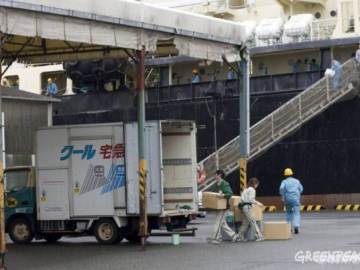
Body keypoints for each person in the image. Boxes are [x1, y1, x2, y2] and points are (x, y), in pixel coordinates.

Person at [208, 169, 239, 244]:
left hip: (224, 207)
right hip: (217, 207)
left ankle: (215, 238)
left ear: (219, 175)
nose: (215, 176)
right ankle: (234, 236)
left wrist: (223, 195)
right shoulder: (216, 184)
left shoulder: (224, 184)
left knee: (218, 222)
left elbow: (229, 193)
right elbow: (212, 193)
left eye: (216, 174)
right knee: (222, 223)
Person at [238, 177, 264, 242]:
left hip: (243, 207)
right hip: (247, 207)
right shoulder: (252, 190)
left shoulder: (246, 189)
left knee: (245, 223)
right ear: (255, 183)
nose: (257, 186)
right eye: (257, 184)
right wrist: (258, 203)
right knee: (253, 221)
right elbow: (251, 199)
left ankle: (239, 236)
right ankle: (259, 236)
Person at [279, 168, 303, 234]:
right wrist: (297, 193)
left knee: (288, 212)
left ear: (285, 175)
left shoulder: (284, 181)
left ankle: (288, 227)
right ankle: (296, 227)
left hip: (287, 199)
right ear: (292, 174)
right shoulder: (297, 181)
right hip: (295, 199)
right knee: (296, 213)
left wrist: (283, 195)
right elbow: (301, 189)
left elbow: (281, 188)